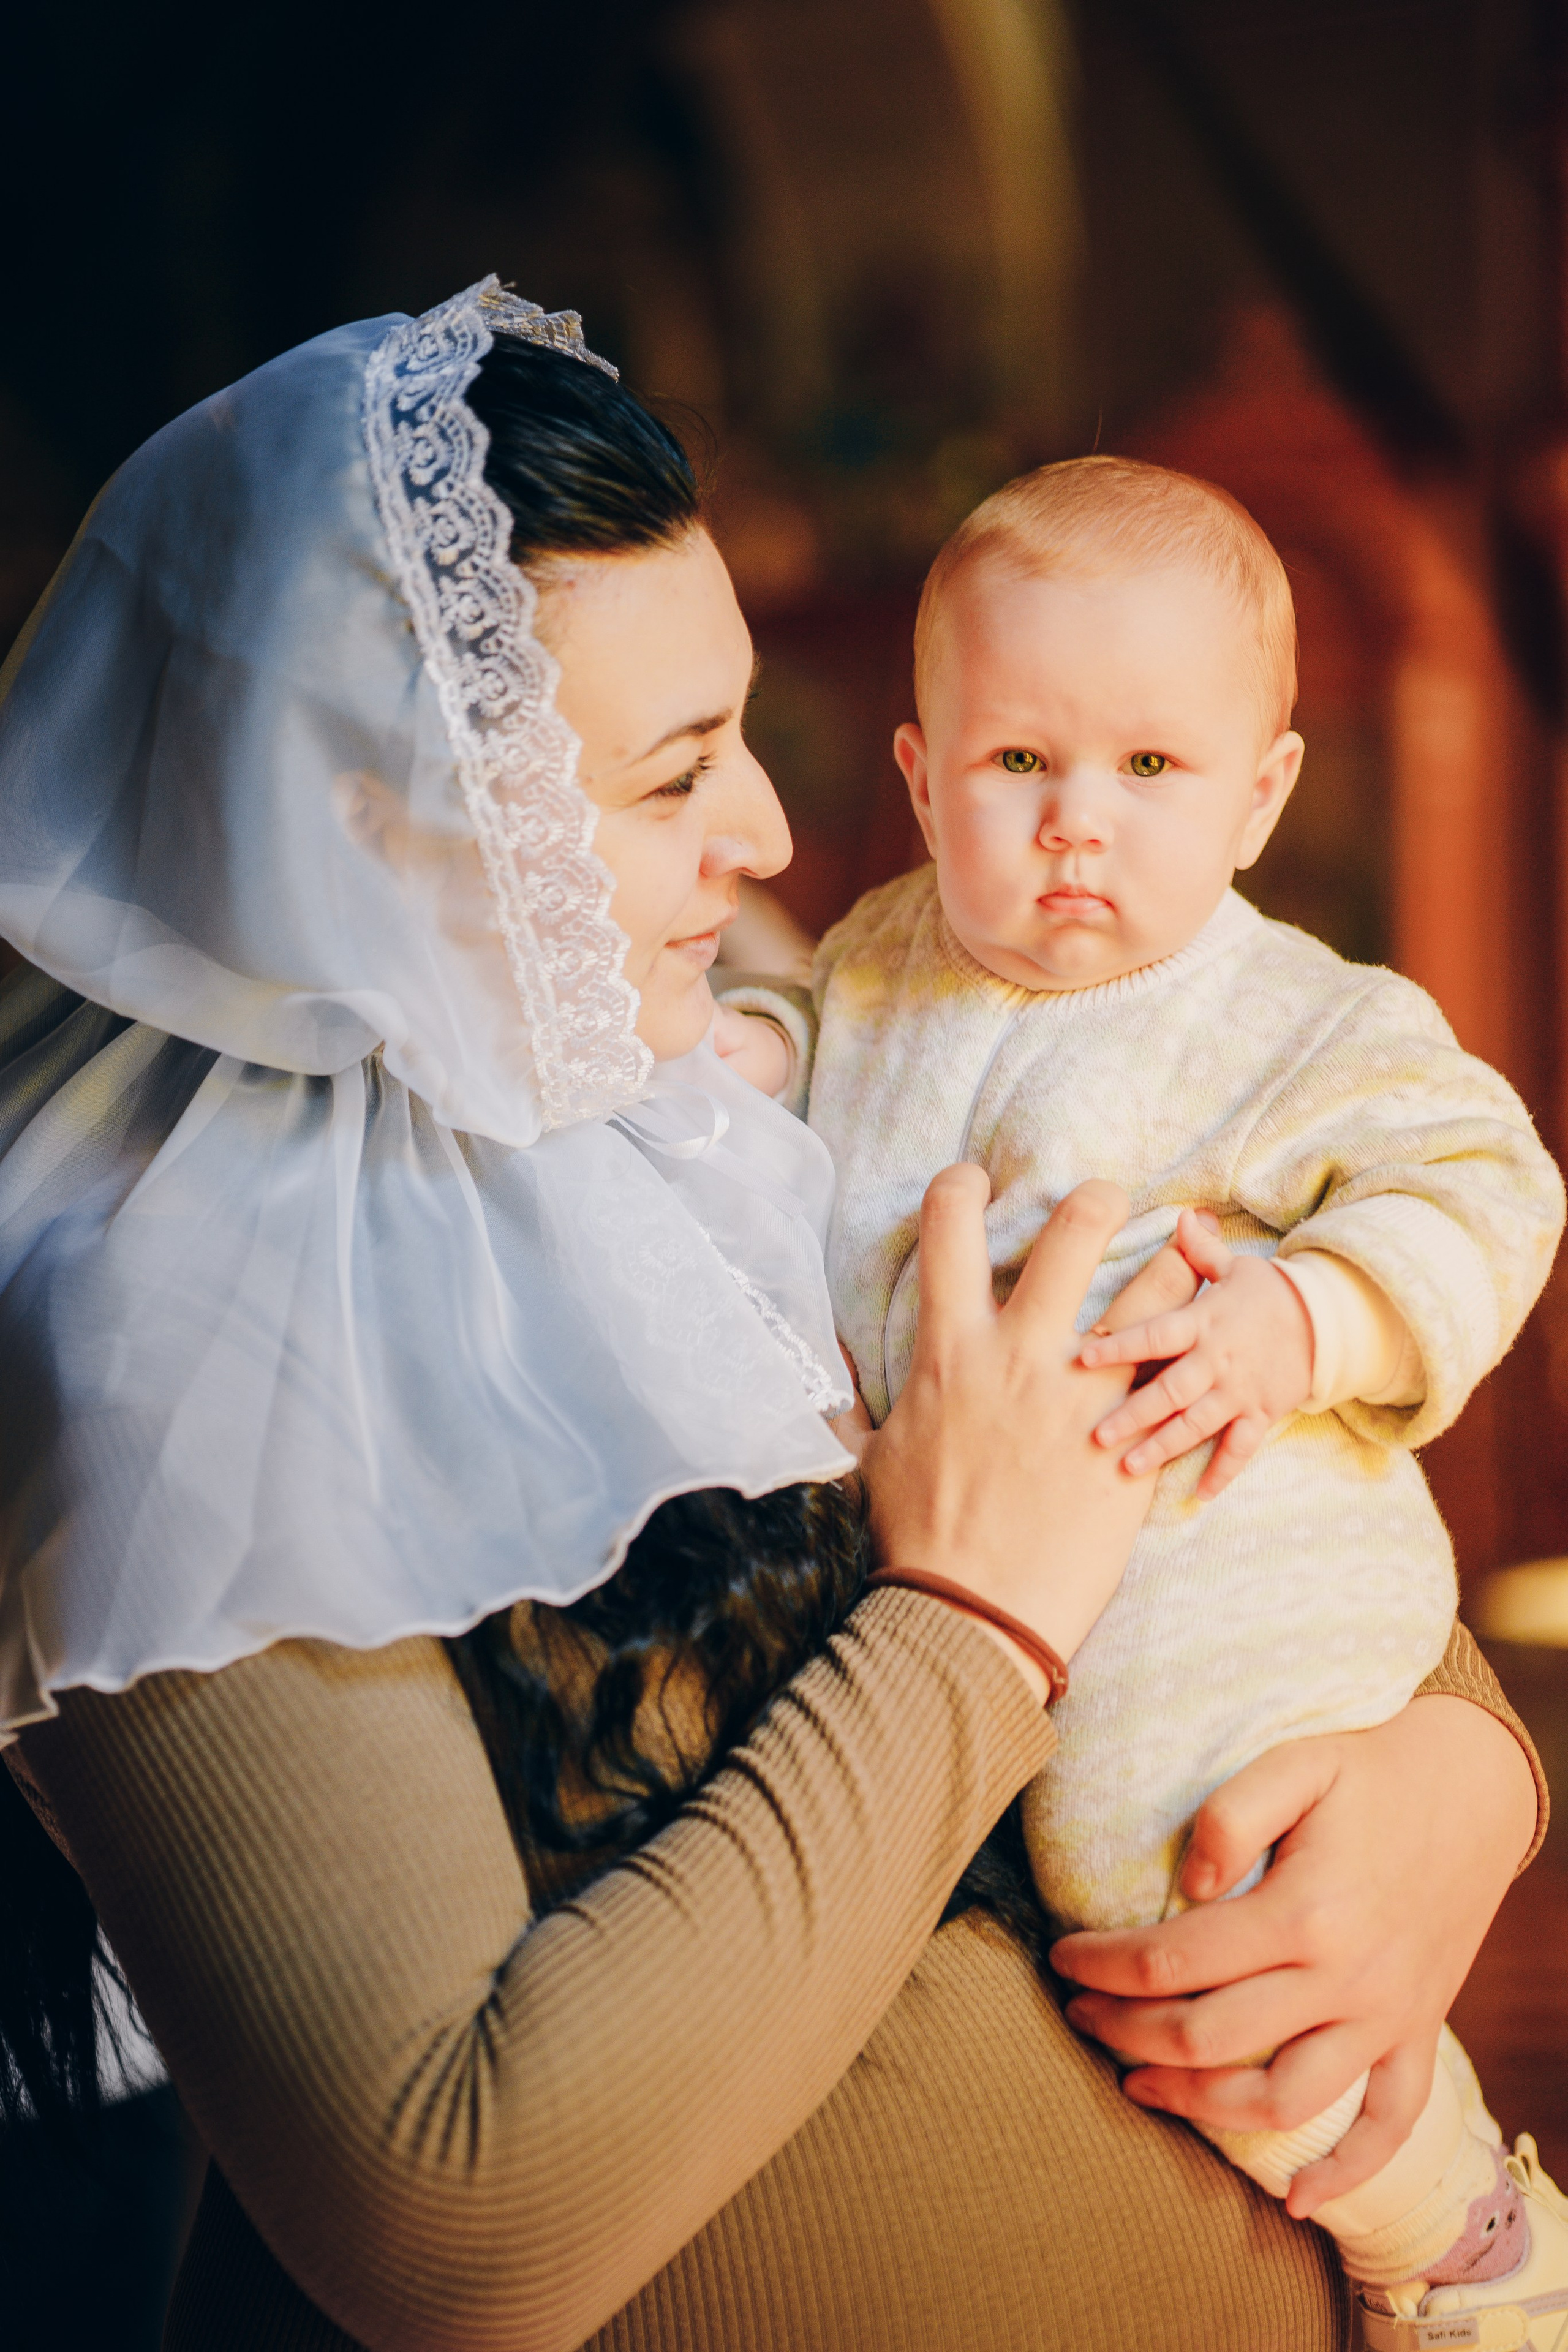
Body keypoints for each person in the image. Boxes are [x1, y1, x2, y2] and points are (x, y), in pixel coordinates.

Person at [0, 286, 1545, 2352]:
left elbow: (1212, 1475)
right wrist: (974, 1628)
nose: (766, 836)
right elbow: (469, 2223)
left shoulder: (692, 1070)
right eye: (666, 778)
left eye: (739, 731)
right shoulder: (173, 1332)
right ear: (371, 816)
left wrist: (1460, 1777)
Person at [721, 453, 1564, 2346]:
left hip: (1234, 1575)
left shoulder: (1298, 1018)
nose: (1076, 826)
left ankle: (1464, 2239)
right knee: (1094, 1925)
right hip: (982, 1613)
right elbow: (791, 1049)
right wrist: (728, 1041)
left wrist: (1306, 1314)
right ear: (926, 777)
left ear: (1261, 792)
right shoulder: (872, 965)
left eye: (1152, 772)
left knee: (1202, 1911)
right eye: (1019, 767)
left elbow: (1489, 1182)